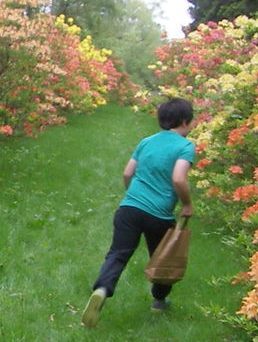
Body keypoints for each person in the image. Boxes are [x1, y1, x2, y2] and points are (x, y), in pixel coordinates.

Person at [81, 97, 196, 327]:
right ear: (185, 121)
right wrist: (187, 204)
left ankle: (102, 289)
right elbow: (178, 178)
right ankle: (159, 301)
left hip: (129, 209)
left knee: (118, 253)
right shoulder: (185, 146)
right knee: (163, 258)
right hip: (159, 216)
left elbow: (127, 173)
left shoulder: (146, 142)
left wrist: (133, 196)